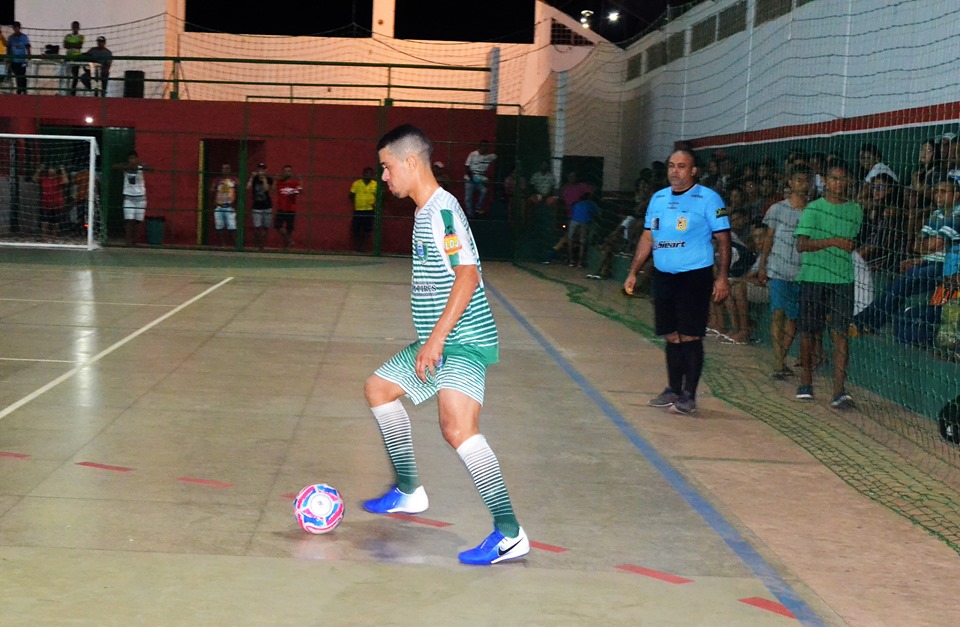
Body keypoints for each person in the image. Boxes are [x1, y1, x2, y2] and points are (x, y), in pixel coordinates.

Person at [362, 123, 528, 566]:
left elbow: (468, 276)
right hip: (440, 339)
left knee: (457, 429)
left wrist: (436, 340)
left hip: (464, 340)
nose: (384, 177)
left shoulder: (442, 211)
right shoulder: (425, 212)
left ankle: (510, 534)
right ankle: (409, 490)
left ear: (410, 162)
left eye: (387, 167)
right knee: (379, 389)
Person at [624, 148, 732, 415]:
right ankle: (672, 389)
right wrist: (633, 271)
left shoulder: (709, 198)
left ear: (694, 171)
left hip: (694, 276)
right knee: (671, 335)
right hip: (664, 276)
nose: (675, 171)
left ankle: (689, 395)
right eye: (671, 165)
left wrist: (722, 277)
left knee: (690, 335)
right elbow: (648, 238)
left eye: (682, 166)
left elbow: (723, 239)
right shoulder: (658, 198)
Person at [794, 162, 863, 408]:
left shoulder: (856, 210)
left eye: (843, 179)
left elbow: (851, 242)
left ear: (850, 183)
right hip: (813, 277)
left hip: (842, 279)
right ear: (826, 181)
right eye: (834, 178)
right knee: (808, 332)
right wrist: (833, 241)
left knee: (841, 334)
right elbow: (801, 245)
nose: (838, 184)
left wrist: (841, 244)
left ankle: (839, 391)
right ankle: (805, 382)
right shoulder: (813, 209)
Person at [754, 167, 810, 378]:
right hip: (778, 269)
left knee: (793, 319)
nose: (802, 185)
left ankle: (781, 359)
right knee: (778, 313)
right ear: (790, 182)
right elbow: (769, 238)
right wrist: (762, 266)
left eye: (806, 181)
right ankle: (778, 362)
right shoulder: (777, 209)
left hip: (801, 272)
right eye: (798, 180)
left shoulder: (812, 211)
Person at [112, 151, 150, 246]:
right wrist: (126, 167)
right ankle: (128, 240)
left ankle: (135, 240)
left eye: (134, 158)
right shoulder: (125, 167)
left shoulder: (141, 167)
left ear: (137, 159)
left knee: (138, 220)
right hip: (129, 197)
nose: (132, 160)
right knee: (128, 219)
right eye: (130, 158)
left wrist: (139, 166)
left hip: (141, 197)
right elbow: (114, 167)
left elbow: (150, 168)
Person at [32, 164, 69, 239]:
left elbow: (66, 181)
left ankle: (54, 236)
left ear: (55, 171)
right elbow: (34, 179)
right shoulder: (44, 179)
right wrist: (39, 170)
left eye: (53, 169)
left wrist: (62, 169)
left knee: (56, 221)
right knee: (45, 220)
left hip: (57, 204)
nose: (51, 171)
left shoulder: (58, 179)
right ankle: (44, 236)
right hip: (46, 203)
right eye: (50, 169)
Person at [462, 140, 497, 217]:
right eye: (483, 146)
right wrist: (472, 178)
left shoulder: (490, 156)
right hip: (470, 177)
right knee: (468, 197)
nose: (485, 148)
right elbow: (467, 167)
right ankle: (469, 214)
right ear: (480, 146)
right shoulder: (473, 154)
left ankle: (478, 208)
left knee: (484, 191)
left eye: (486, 147)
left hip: (481, 177)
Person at [566, 190, 599, 268]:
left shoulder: (577, 204)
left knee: (570, 239)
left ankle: (571, 260)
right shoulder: (591, 204)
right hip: (584, 222)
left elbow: (572, 213)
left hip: (574, 221)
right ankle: (580, 263)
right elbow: (597, 214)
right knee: (582, 242)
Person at [349, 166, 378, 252]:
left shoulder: (375, 184)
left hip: (369, 210)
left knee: (367, 230)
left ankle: (364, 247)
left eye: (370, 174)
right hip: (358, 210)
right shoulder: (357, 184)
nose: (368, 176)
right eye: (366, 174)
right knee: (356, 229)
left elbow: (379, 196)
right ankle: (357, 247)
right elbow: (351, 195)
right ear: (363, 174)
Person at [211, 163, 239, 247]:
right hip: (219, 206)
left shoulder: (234, 179)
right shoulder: (217, 180)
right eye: (224, 168)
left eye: (227, 168)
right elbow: (212, 190)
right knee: (220, 226)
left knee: (232, 226)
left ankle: (236, 244)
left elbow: (239, 191)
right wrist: (213, 200)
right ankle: (224, 244)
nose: (225, 170)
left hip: (230, 206)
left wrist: (236, 203)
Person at [274, 165, 302, 250]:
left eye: (289, 171)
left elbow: (300, 191)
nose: (287, 172)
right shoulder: (280, 183)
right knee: (277, 226)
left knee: (289, 228)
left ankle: (286, 246)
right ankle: (289, 241)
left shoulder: (294, 183)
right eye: (285, 171)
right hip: (281, 208)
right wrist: (275, 179)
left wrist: (300, 182)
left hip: (291, 208)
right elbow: (273, 188)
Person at [247, 163, 273, 250]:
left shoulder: (269, 179)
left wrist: (264, 178)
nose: (261, 171)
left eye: (263, 169)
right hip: (256, 206)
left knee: (266, 227)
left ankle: (262, 245)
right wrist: (251, 177)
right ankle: (258, 244)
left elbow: (266, 189)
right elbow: (248, 187)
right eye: (260, 169)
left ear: (266, 170)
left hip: (267, 205)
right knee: (257, 226)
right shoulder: (254, 179)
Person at [6, 22, 30, 95]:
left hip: (22, 60)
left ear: (19, 28)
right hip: (14, 60)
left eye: (17, 27)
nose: (16, 29)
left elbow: (27, 46)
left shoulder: (24, 37)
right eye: (14, 27)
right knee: (17, 75)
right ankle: (19, 90)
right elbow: (8, 48)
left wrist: (29, 55)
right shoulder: (11, 38)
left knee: (22, 74)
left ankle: (23, 90)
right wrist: (8, 57)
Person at [63, 21, 85, 96]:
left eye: (76, 26)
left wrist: (71, 44)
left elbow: (79, 46)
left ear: (79, 28)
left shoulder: (81, 36)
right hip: (68, 58)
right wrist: (75, 45)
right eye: (74, 26)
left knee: (75, 76)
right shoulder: (67, 36)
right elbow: (65, 45)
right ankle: (66, 91)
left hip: (76, 58)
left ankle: (73, 92)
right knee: (67, 76)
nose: (75, 28)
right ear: (72, 27)